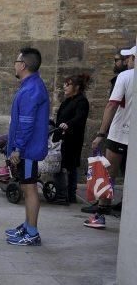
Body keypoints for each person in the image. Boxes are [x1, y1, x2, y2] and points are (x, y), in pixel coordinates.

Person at [83, 45, 134, 228]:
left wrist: (100, 134)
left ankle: (100, 216)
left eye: (129, 58)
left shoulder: (125, 76)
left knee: (107, 176)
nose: (127, 61)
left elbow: (111, 106)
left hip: (120, 134)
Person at [5, 48, 50, 245]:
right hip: (27, 148)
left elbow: (26, 123)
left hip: (28, 150)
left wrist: (18, 148)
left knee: (30, 189)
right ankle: (27, 225)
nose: (14, 64)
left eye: (16, 61)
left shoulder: (32, 89)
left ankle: (32, 233)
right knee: (26, 187)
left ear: (23, 65)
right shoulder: (30, 85)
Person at [51, 74, 90, 205]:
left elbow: (80, 117)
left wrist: (68, 124)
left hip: (72, 139)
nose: (64, 86)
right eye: (65, 84)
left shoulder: (81, 101)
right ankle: (66, 194)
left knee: (69, 166)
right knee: (63, 165)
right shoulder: (68, 100)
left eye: (68, 84)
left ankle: (68, 195)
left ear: (77, 87)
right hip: (62, 137)